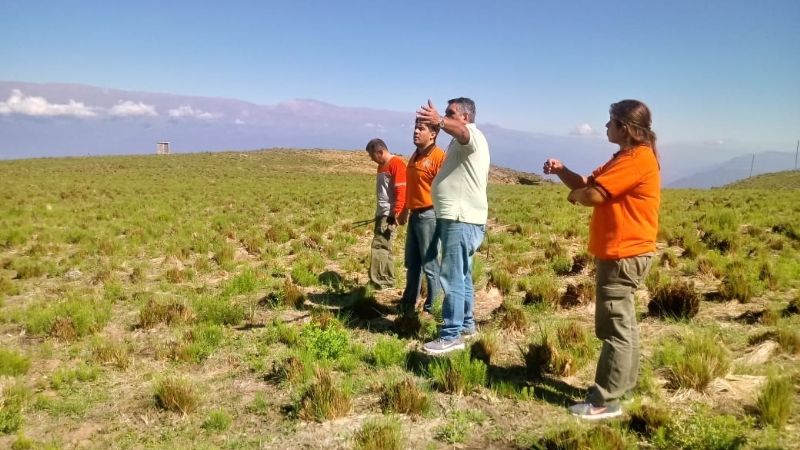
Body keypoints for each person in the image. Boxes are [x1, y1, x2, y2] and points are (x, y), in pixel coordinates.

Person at [543, 99, 660, 420]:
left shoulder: (636, 159)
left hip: (624, 253)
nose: (605, 127)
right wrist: (562, 172)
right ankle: (623, 388)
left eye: (610, 122)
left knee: (614, 328)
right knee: (626, 325)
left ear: (625, 127)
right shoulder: (624, 158)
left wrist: (575, 196)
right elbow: (588, 184)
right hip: (624, 252)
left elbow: (594, 194)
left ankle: (605, 400)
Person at [415, 98, 489, 355]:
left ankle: (451, 334)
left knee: (453, 276)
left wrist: (438, 121)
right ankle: (467, 326)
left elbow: (462, 132)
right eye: (444, 114)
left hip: (461, 218)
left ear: (465, 117)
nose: (445, 117)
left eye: (450, 114)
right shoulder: (459, 140)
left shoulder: (472, 137)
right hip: (460, 218)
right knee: (463, 275)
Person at [397, 119, 446, 317]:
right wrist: (404, 209)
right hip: (414, 215)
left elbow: (445, 189)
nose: (416, 131)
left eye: (421, 128)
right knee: (412, 262)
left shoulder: (439, 157)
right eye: (415, 128)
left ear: (433, 133)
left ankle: (433, 307)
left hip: (430, 215)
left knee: (431, 265)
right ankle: (409, 302)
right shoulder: (415, 156)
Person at [365, 138, 406, 289]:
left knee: (379, 247)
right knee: (383, 246)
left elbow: (401, 190)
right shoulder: (381, 166)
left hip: (389, 214)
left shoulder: (397, 164)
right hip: (382, 212)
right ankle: (386, 279)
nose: (372, 159)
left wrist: (396, 214)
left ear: (380, 152)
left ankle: (380, 282)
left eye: (372, 156)